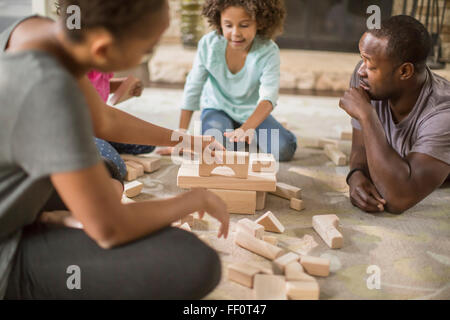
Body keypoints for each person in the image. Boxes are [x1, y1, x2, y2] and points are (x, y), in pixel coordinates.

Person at [0, 0, 229, 299]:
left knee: (102, 176)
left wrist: (185, 139)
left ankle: (56, 218)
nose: (148, 55)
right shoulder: (51, 91)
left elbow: (104, 119)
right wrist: (192, 199)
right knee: (194, 262)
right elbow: (109, 229)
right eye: (148, 47)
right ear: (103, 49)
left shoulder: (37, 33)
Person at [159, 0, 297, 161]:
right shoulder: (208, 45)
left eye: (244, 25)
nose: (235, 33)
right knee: (215, 149)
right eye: (228, 25)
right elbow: (193, 87)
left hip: (251, 112)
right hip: (217, 108)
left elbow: (269, 96)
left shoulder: (268, 50)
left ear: (259, 22)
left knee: (283, 150)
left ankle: (244, 133)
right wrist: (181, 133)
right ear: (219, 22)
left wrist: (247, 127)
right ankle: (238, 135)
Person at [340, 15, 450, 214]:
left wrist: (367, 115)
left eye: (370, 64)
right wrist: (355, 175)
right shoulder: (367, 80)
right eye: (361, 59)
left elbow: (398, 199)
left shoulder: (443, 113)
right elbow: (360, 148)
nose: (360, 71)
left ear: (405, 71)